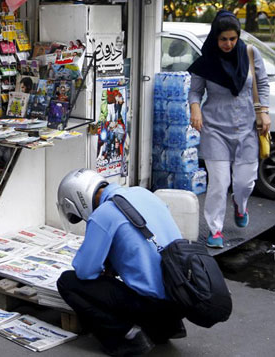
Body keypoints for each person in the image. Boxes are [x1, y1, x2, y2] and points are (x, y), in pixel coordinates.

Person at [56, 169, 186, 356]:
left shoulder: (104, 213)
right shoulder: (142, 193)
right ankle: (167, 327)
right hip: (180, 297)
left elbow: (85, 271)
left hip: (151, 306)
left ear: (79, 200)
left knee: (68, 282)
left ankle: (128, 336)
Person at [188, 10, 270, 248]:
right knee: (219, 182)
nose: (228, 44)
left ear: (238, 37)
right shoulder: (206, 61)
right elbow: (195, 91)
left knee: (245, 183)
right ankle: (215, 230)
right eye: (223, 39)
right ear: (216, 37)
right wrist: (195, 108)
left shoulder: (251, 54)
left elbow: (262, 84)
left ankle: (240, 204)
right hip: (215, 129)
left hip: (247, 128)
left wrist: (263, 111)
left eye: (232, 39)